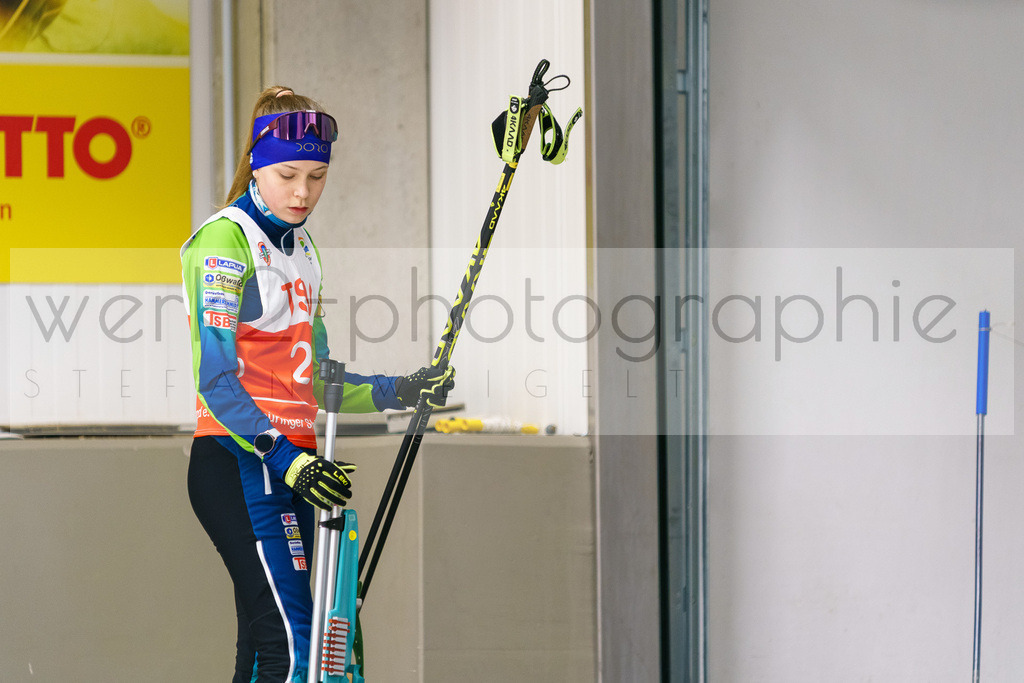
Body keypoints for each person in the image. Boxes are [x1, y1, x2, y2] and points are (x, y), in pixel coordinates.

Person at [180, 86, 454, 683]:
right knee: (295, 649)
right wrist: (284, 458)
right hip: (243, 461)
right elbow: (217, 378)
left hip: (295, 464)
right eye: (287, 175)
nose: (302, 192)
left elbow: (318, 379)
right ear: (256, 164)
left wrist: (398, 390)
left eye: (317, 176)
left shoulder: (302, 249)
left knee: (265, 649)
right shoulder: (226, 240)